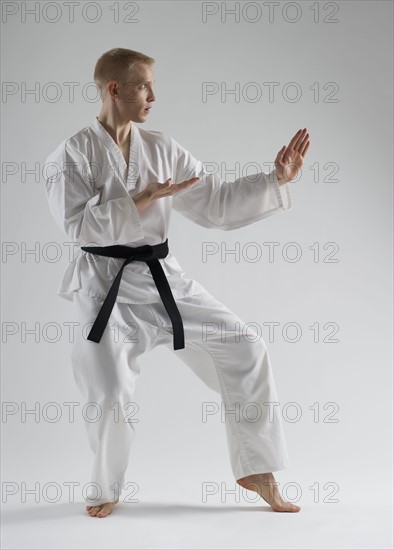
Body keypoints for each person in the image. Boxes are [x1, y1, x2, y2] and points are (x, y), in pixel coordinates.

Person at [44, 47, 310, 518]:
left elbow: (216, 204)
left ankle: (257, 468)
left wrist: (275, 179)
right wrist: (143, 198)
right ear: (114, 89)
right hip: (105, 287)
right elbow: (78, 228)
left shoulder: (162, 148)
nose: (153, 95)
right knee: (108, 392)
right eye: (144, 85)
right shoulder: (71, 154)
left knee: (246, 347)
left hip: (161, 277)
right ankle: (106, 486)